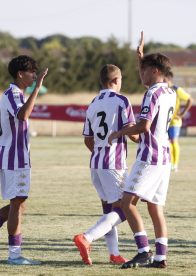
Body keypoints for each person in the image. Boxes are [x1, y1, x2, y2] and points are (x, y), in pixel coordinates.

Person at [108, 31, 176, 269]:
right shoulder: (170, 92)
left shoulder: (151, 93)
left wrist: (119, 133)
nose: (141, 74)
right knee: (156, 208)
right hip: (165, 158)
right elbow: (148, 82)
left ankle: (143, 250)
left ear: (155, 71)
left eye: (145, 70)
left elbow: (144, 126)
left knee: (127, 203)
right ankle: (160, 259)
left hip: (149, 157)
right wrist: (141, 59)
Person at [0, 55, 48, 265]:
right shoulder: (14, 94)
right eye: (31, 72)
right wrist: (36, 89)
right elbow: (23, 115)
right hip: (15, 158)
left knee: (18, 204)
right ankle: (14, 255)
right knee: (17, 204)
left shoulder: (13, 94)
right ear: (20, 74)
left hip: (11, 156)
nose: (34, 75)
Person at [74, 64, 138, 265]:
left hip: (96, 163)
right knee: (127, 207)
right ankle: (87, 237)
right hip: (114, 163)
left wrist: (100, 153)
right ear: (117, 80)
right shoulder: (121, 101)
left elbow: (87, 139)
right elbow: (133, 134)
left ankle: (114, 254)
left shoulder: (93, 103)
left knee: (109, 210)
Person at [164, 71, 194, 172]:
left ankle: (174, 164)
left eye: (164, 80)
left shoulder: (177, 90)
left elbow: (190, 100)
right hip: (165, 121)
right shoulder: (162, 90)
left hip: (174, 121)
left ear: (169, 79)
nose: (162, 82)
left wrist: (182, 114)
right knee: (167, 143)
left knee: (173, 141)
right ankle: (168, 162)